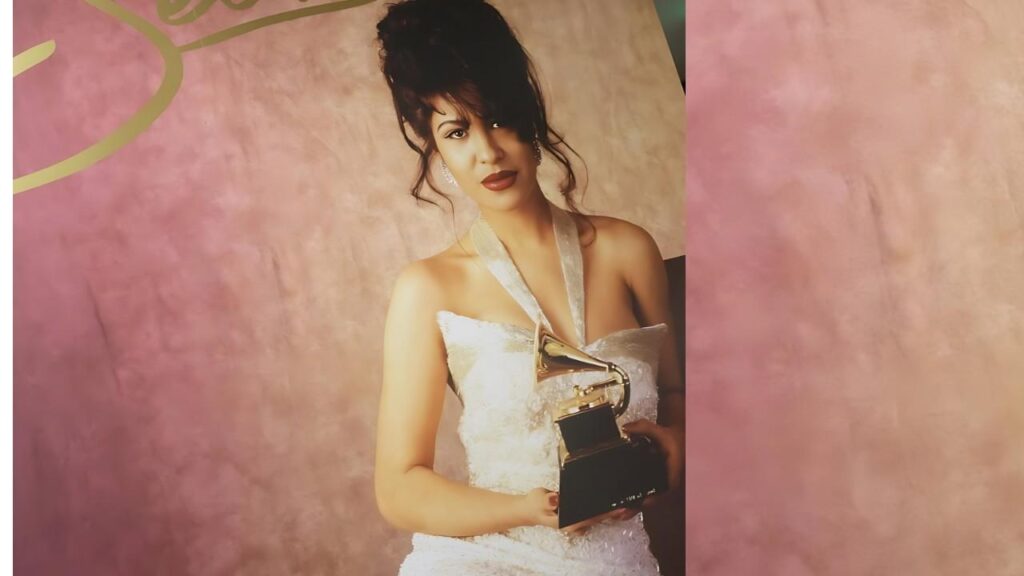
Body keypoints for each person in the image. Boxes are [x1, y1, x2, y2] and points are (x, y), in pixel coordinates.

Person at [372, 1, 684, 574]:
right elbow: (398, 488)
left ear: (530, 118)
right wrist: (529, 509)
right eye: (457, 130)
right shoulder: (428, 288)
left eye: (496, 118)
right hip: (488, 557)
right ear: (436, 151)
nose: (487, 151)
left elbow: (680, 395)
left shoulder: (627, 251)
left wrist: (678, 444)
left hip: (617, 560)